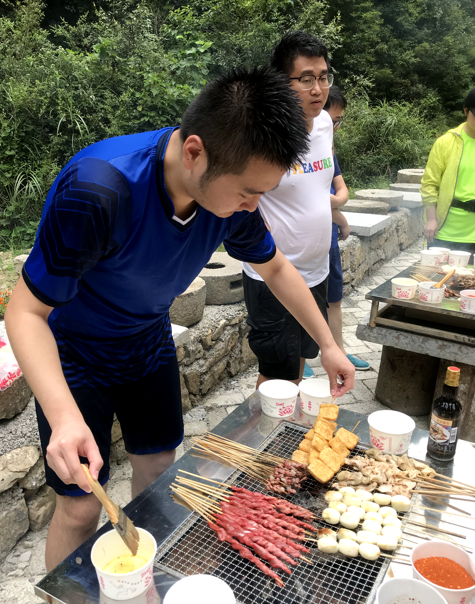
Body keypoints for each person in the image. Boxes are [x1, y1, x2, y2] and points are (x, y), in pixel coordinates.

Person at [5, 67, 355, 571]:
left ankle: (143, 579)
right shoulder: (100, 189)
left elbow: (276, 267)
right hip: (74, 354)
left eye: (264, 192)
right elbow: (25, 312)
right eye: (248, 192)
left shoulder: (232, 196)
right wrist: (63, 416)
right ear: (195, 152)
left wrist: (329, 345)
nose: (253, 207)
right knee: (80, 507)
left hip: (148, 342)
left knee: (157, 469)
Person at [242, 32, 355, 388]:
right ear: (281, 81)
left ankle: (290, 419)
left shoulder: (324, 125)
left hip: (317, 270)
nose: (318, 89)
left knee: (302, 359)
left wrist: (336, 214)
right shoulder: (261, 136)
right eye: (306, 79)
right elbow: (241, 200)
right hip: (274, 275)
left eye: (323, 77)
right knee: (277, 375)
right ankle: (265, 425)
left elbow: (317, 185)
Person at [324, 87, 370, 371]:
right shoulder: (295, 149)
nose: (336, 128)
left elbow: (341, 191)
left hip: (328, 241)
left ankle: (339, 351)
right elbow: (303, 198)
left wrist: (335, 207)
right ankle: (299, 357)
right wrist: (339, 217)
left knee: (334, 299)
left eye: (339, 121)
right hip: (301, 243)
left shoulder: (329, 151)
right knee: (301, 298)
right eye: (332, 121)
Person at [422, 86, 475, 255]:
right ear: (465, 110)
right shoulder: (446, 142)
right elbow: (429, 184)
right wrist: (431, 219)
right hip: (446, 230)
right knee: (440, 273)